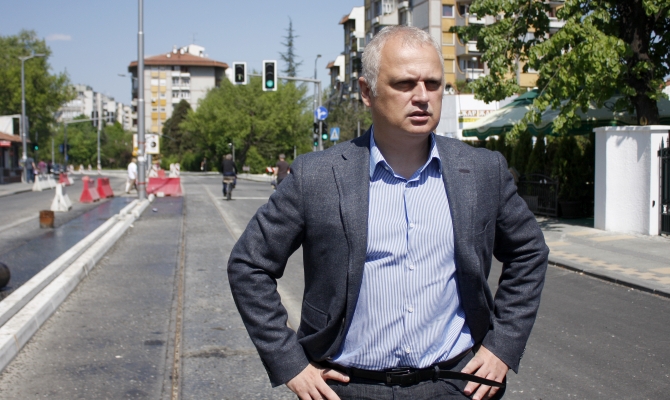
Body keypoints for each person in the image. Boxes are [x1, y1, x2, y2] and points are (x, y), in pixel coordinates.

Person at [228, 26, 548, 400]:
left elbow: (529, 252)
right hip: (347, 388)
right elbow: (249, 264)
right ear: (367, 92)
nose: (422, 96)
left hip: (454, 385)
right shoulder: (316, 176)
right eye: (404, 84)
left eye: (433, 83)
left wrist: (502, 346)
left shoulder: (482, 170)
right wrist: (290, 363)